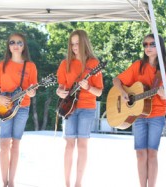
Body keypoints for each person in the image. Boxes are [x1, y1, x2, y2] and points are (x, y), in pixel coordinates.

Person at [112, 34, 166, 187]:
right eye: (145, 44)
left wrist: (163, 94)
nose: (148, 47)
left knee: (152, 153)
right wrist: (122, 92)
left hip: (157, 115)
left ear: (159, 46)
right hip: (138, 115)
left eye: (152, 44)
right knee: (140, 154)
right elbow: (116, 80)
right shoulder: (138, 65)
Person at [56, 30, 103, 187]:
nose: (75, 47)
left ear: (84, 43)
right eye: (72, 44)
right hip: (69, 108)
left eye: (78, 43)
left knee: (82, 145)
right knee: (69, 145)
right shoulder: (65, 64)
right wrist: (59, 92)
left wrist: (88, 87)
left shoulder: (94, 64)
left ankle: (78, 184)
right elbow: (60, 88)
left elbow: (99, 91)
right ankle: (67, 183)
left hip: (87, 108)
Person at [0, 33, 37, 187]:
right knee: (4, 144)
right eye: (12, 42)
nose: (16, 45)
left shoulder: (30, 66)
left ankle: (12, 182)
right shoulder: (1, 65)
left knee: (15, 144)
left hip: (23, 107)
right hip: (4, 107)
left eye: (19, 42)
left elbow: (34, 89)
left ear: (24, 46)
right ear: (8, 46)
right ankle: (4, 182)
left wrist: (31, 92)